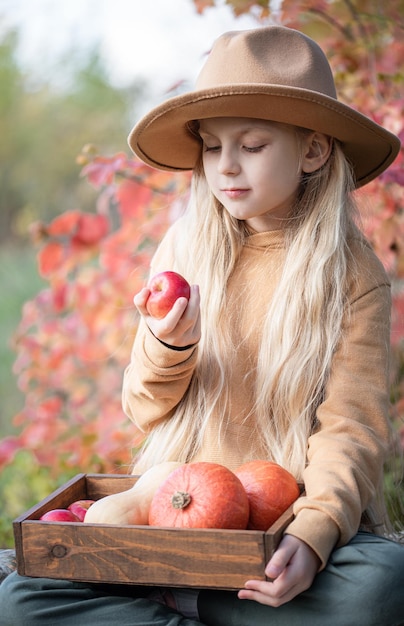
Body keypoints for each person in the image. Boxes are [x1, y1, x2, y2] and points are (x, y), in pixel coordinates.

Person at [1, 25, 403, 626]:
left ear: (314, 151)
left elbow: (352, 428)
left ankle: (188, 607)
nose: (226, 167)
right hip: (172, 522)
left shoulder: (352, 276)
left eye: (253, 144)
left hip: (271, 525)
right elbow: (143, 409)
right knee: (19, 599)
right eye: (213, 148)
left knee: (380, 585)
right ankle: (206, 607)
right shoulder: (186, 248)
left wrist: (315, 534)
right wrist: (168, 348)